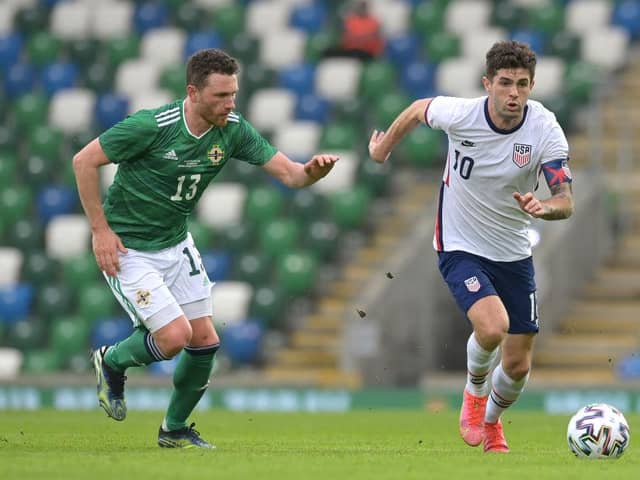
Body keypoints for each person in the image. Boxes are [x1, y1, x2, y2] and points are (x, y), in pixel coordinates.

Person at [73, 48, 338, 449]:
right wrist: (99, 231)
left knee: (205, 341)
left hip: (176, 243)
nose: (230, 104)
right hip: (130, 250)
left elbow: (291, 175)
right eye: (221, 96)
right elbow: (83, 161)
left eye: (234, 94)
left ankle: (174, 429)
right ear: (193, 92)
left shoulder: (232, 128)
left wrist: (312, 173)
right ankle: (110, 361)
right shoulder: (151, 126)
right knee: (175, 337)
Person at [368, 40, 574, 453]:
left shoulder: (545, 129)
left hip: (513, 251)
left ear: (532, 86)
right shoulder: (461, 114)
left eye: (522, 84)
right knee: (492, 326)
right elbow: (416, 109)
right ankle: (474, 393)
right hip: (459, 244)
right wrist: (383, 149)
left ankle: (493, 423)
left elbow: (565, 201)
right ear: (487, 84)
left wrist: (543, 207)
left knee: (517, 365)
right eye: (504, 83)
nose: (513, 93)